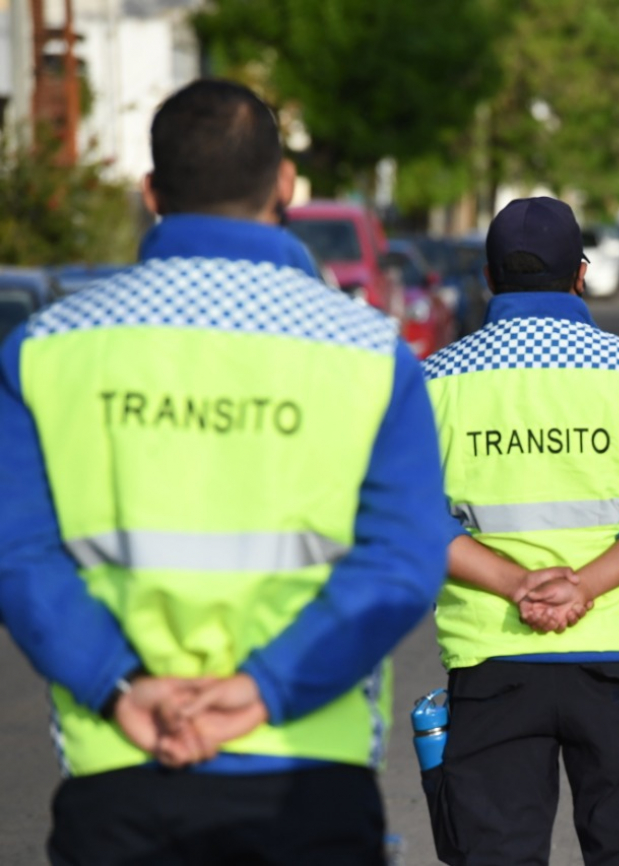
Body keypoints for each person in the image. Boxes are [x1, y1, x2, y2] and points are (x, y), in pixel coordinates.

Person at [0, 79, 450, 865]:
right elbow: (403, 563)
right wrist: (262, 689)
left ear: (150, 192)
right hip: (308, 770)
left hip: (121, 763)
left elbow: (18, 555)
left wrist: (119, 687)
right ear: (284, 185)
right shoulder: (371, 354)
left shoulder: (46, 348)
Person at [419, 196, 619, 866]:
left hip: (490, 657)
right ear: (580, 275)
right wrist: (583, 585)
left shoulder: (431, 384)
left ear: (488, 280)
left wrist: (517, 582)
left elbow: (407, 517)